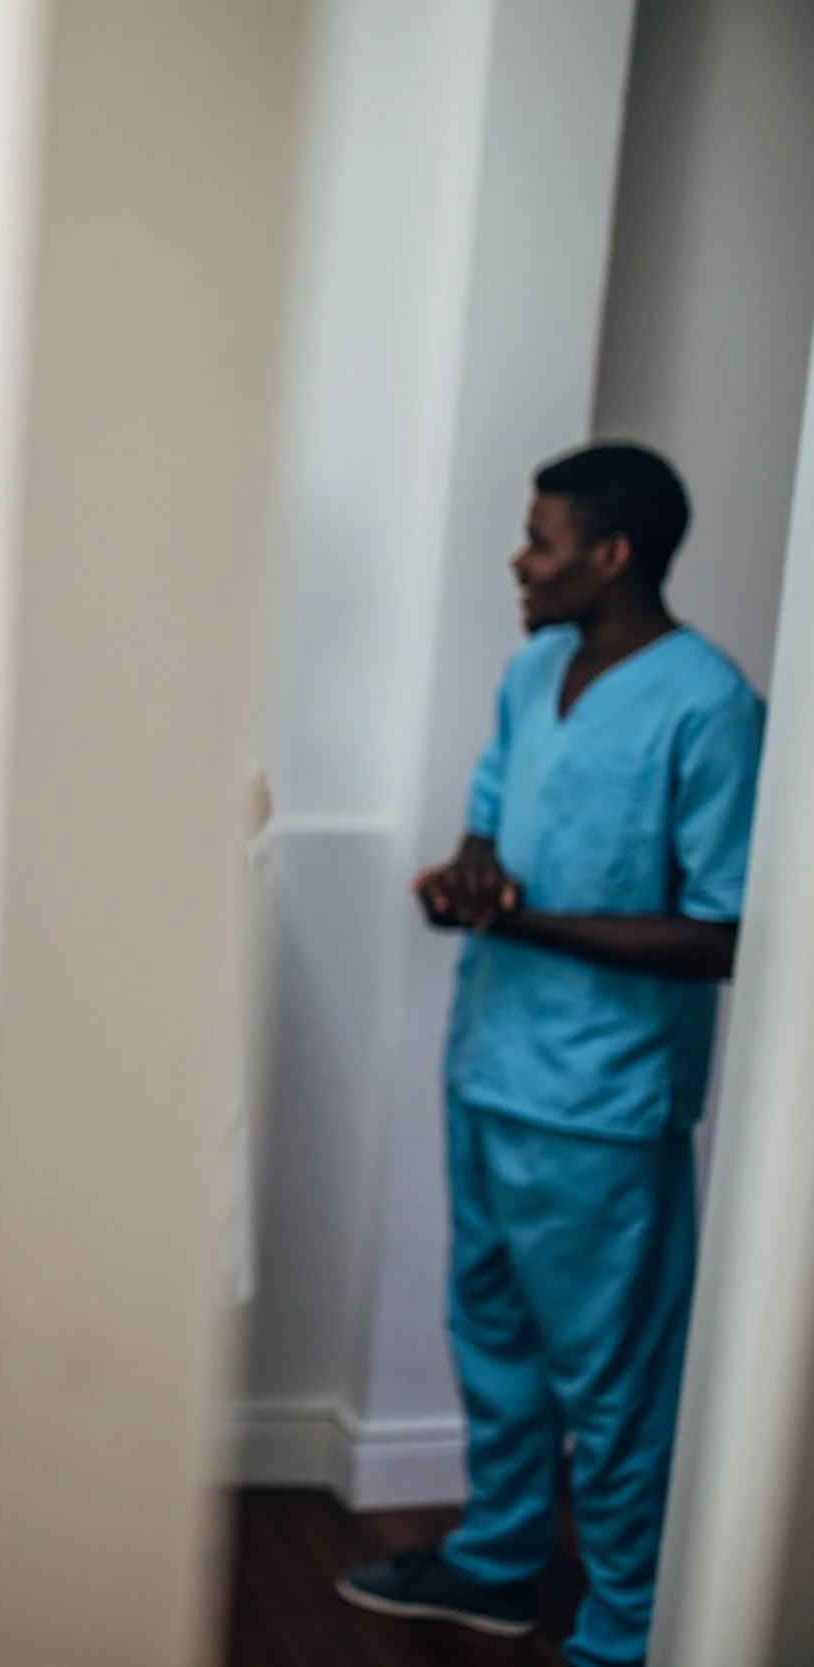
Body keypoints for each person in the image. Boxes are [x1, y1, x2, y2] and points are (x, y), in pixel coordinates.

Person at [337, 444, 765, 1666]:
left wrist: (512, 914)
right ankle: (496, 1561)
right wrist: (467, 873)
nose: (519, 563)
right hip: (490, 1064)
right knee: (494, 1339)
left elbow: (727, 931)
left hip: (601, 1102)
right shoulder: (534, 670)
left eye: (540, 540)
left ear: (612, 555)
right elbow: (492, 817)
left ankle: (626, 1629)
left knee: (616, 1384)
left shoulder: (709, 706)